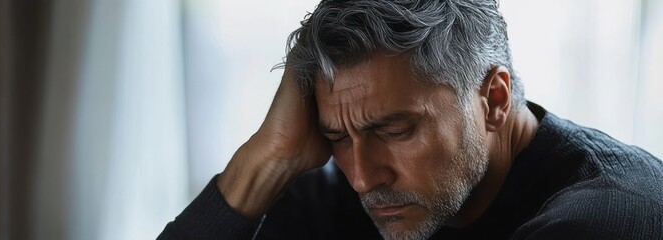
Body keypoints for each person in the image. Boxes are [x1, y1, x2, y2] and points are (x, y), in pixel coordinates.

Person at [158, 0, 663, 239]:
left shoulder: (612, 214)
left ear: (494, 98)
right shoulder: (341, 195)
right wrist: (267, 159)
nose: (362, 176)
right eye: (336, 135)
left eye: (395, 130)